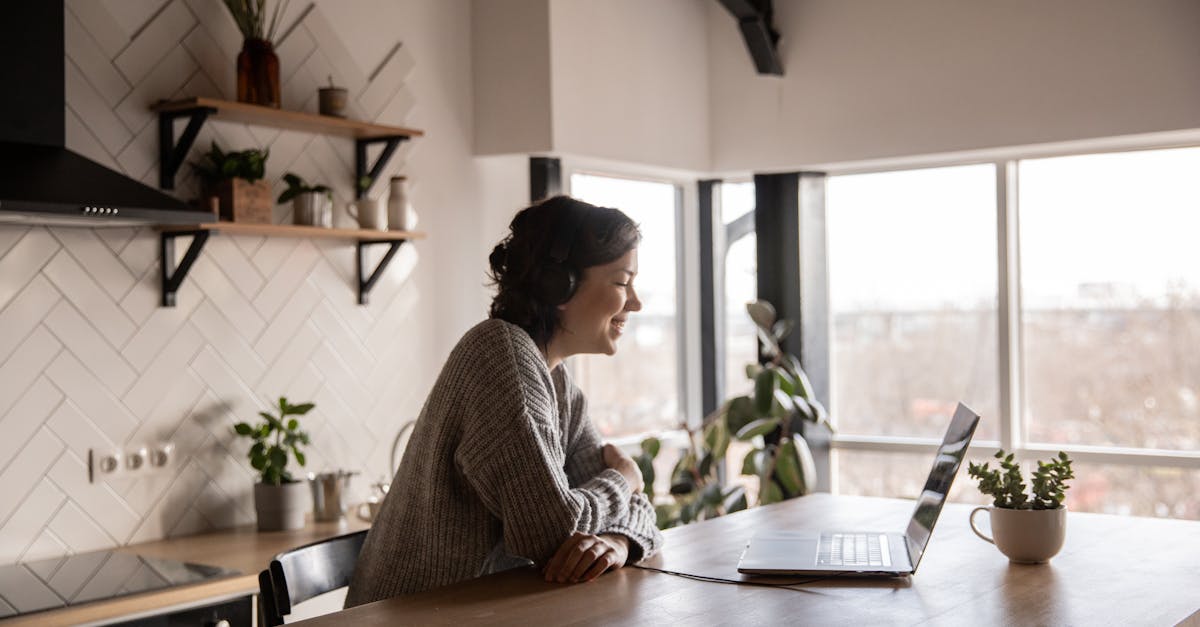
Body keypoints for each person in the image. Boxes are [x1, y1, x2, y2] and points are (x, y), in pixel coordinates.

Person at [345, 195, 664, 607]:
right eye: (622, 282)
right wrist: (625, 478)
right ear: (559, 285)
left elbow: (635, 512)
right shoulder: (500, 356)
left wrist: (619, 541)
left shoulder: (559, 384)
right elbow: (553, 533)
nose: (636, 302)